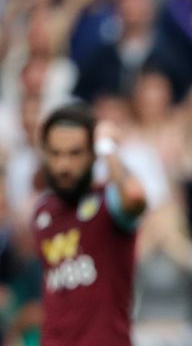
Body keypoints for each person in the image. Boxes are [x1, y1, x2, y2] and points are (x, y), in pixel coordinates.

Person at [31, 104, 146, 345]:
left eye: (75, 153)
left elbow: (135, 198)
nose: (64, 166)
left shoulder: (108, 203)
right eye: (56, 153)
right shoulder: (42, 213)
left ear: (92, 154)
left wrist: (108, 148)